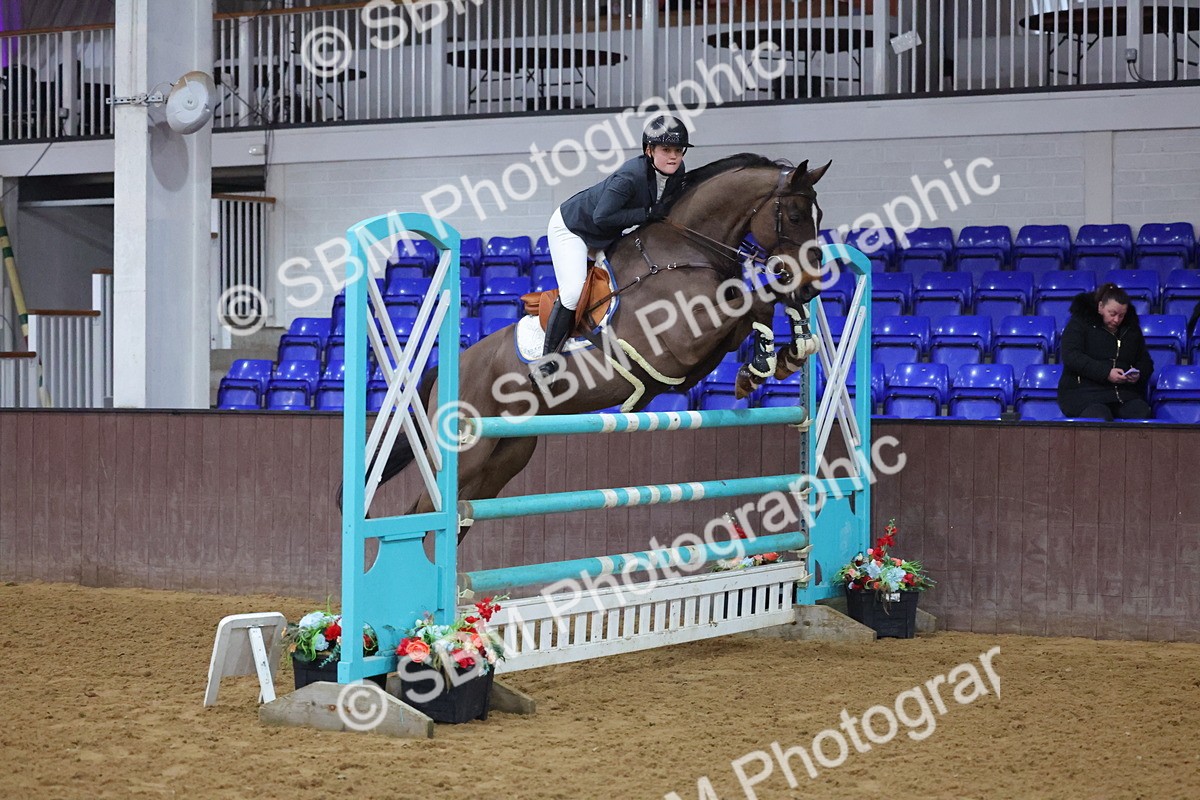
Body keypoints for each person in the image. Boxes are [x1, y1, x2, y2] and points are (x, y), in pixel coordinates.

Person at [535, 114, 691, 378]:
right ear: (649, 150)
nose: (674, 157)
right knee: (573, 293)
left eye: (678, 150)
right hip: (573, 229)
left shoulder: (677, 173)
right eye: (666, 150)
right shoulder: (629, 176)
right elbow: (602, 217)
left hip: (606, 234)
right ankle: (547, 361)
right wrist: (645, 214)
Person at [1057, 282, 1154, 420]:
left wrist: (1138, 374)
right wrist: (1106, 373)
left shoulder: (1131, 329)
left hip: (1124, 394)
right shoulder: (1079, 323)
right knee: (1099, 417)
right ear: (1100, 307)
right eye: (1112, 314)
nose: (1116, 320)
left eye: (1121, 315)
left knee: (1141, 413)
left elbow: (1146, 361)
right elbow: (1071, 356)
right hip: (1084, 394)